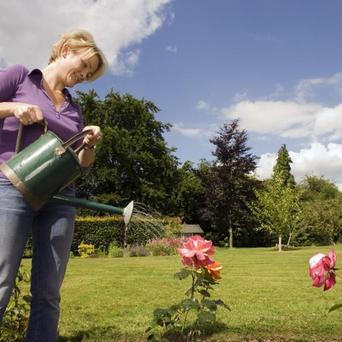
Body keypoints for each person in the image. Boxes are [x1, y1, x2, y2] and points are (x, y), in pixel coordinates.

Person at [0, 29, 107, 340]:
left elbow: (82, 165)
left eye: (89, 75)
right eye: (84, 65)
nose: (84, 75)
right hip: (13, 186)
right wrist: (12, 108)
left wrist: (88, 142)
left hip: (61, 198)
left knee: (49, 291)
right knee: (2, 279)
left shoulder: (74, 109)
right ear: (65, 49)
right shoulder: (21, 78)